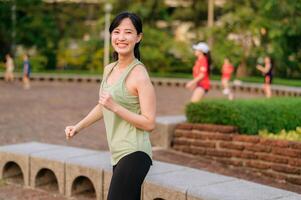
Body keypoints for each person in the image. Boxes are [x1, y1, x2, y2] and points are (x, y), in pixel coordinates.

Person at [65, 12, 155, 200]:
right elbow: (103, 105)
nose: (121, 37)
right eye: (116, 31)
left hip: (135, 152)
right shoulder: (109, 69)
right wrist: (78, 127)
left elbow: (149, 123)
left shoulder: (139, 75)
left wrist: (116, 107)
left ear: (138, 37)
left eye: (128, 32)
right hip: (117, 153)